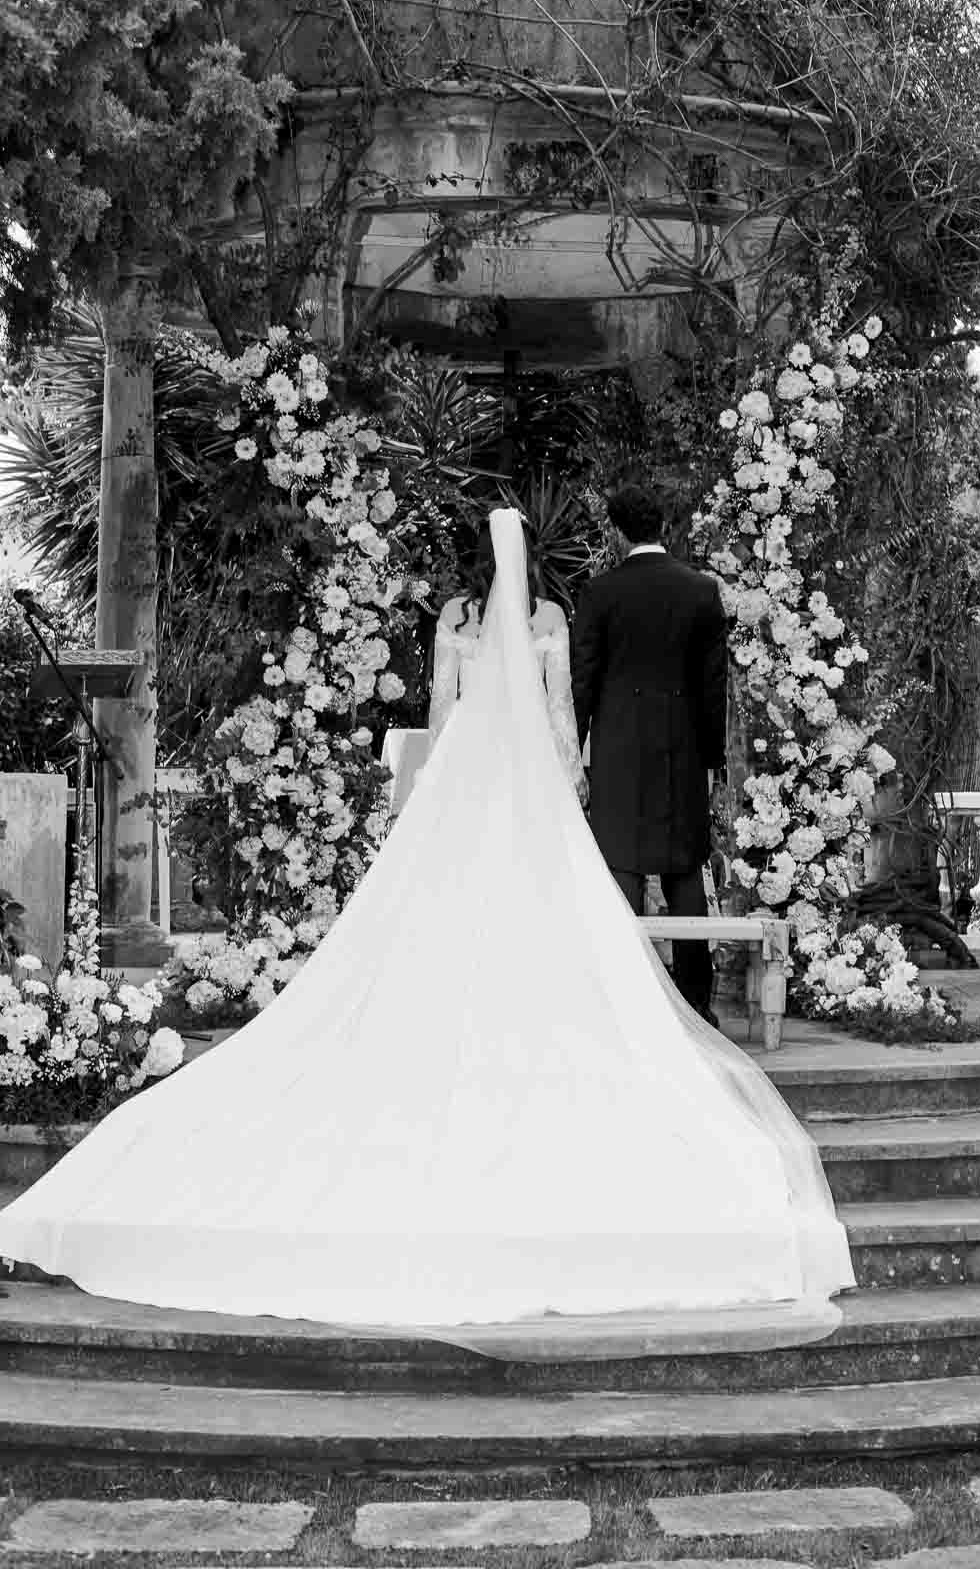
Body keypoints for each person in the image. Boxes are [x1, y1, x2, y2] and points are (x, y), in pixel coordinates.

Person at [0, 509, 853, 1332]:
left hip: (462, 784)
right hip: (530, 791)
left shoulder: (457, 619)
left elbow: (446, 712)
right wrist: (570, 776)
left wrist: (438, 780)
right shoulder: (554, 618)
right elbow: (561, 714)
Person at [571, 485, 727, 1025]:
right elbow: (713, 688)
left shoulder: (599, 593)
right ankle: (696, 1001)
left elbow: (582, 682)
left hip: (617, 750)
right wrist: (714, 760)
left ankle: (628, 1004)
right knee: (685, 870)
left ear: (616, 531)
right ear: (662, 527)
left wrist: (577, 750)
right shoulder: (701, 591)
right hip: (682, 749)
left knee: (624, 868)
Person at [429, 517, 586, 803]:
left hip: (468, 750)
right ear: (528, 559)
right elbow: (560, 703)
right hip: (532, 746)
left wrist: (435, 767)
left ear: (482, 558)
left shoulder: (454, 614)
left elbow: (442, 701)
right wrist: (573, 770)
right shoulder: (550, 616)